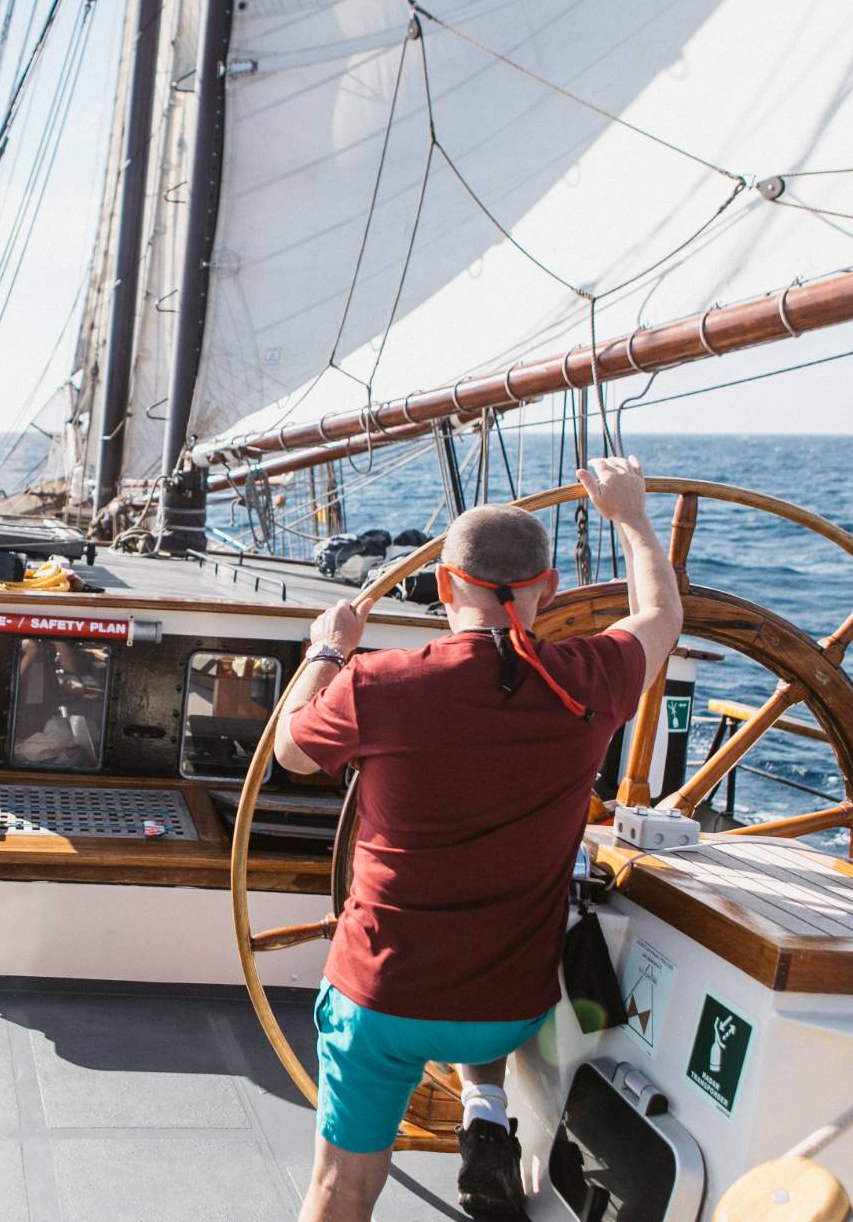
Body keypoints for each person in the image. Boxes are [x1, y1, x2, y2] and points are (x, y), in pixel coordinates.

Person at [274, 456, 682, 1221]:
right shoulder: (592, 680)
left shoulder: (377, 683)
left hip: (381, 999)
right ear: (549, 589)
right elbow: (662, 617)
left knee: (341, 1188)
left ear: (443, 585)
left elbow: (292, 752)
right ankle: (485, 1102)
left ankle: (481, 1105)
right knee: (490, 966)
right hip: (508, 1008)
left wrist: (327, 649)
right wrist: (630, 516)